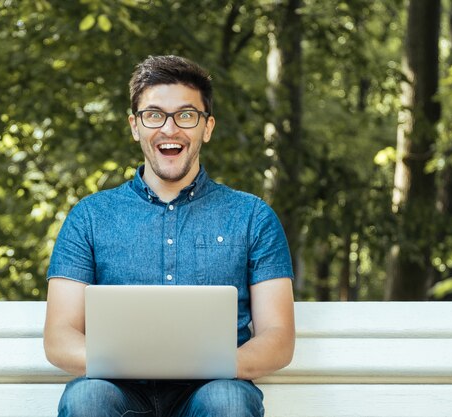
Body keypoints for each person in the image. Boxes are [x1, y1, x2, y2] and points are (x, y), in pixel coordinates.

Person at [44, 55, 295, 417]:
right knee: (87, 398)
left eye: (186, 115)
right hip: (118, 392)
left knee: (228, 400)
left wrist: (205, 365)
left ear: (207, 127)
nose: (170, 128)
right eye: (154, 114)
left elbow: (278, 338)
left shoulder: (253, 217)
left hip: (213, 390)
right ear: (135, 126)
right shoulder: (90, 217)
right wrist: (135, 363)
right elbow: (59, 336)